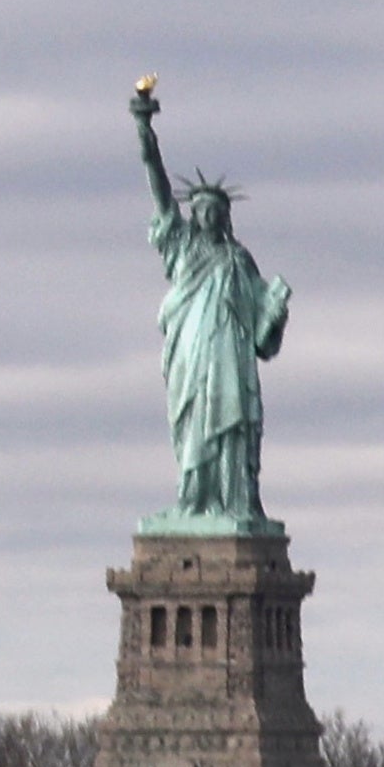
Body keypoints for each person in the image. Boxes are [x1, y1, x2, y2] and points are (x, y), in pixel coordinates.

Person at [130, 78, 289, 528]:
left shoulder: (240, 260)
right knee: (194, 424)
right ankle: (193, 500)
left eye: (215, 209)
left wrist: (275, 311)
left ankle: (234, 503)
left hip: (231, 358)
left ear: (225, 217)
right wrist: (145, 129)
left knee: (234, 426)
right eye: (199, 209)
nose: (206, 214)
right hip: (190, 353)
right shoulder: (180, 248)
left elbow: (263, 339)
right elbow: (159, 189)